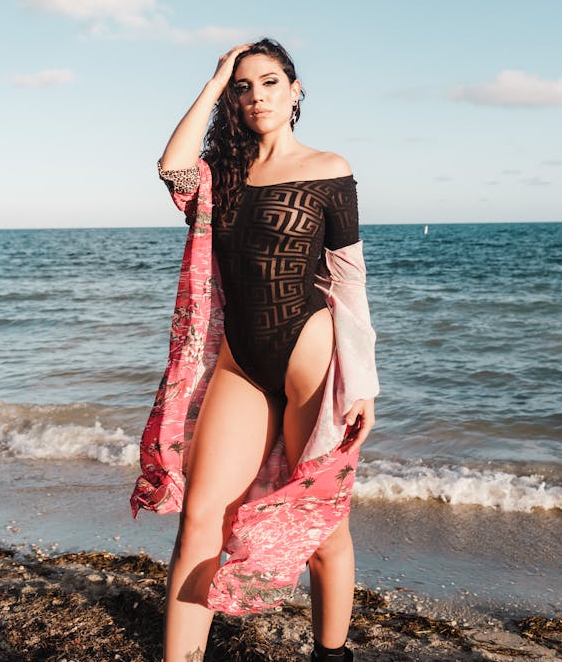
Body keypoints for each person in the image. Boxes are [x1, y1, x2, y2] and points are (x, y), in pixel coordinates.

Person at [132, 38, 378, 662]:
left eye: (269, 83)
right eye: (244, 87)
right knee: (199, 520)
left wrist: (363, 384)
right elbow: (171, 165)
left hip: (310, 357)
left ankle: (331, 654)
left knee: (323, 526)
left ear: (295, 90)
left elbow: (349, 280)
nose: (256, 96)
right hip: (240, 362)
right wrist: (216, 78)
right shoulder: (221, 175)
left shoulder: (329, 167)